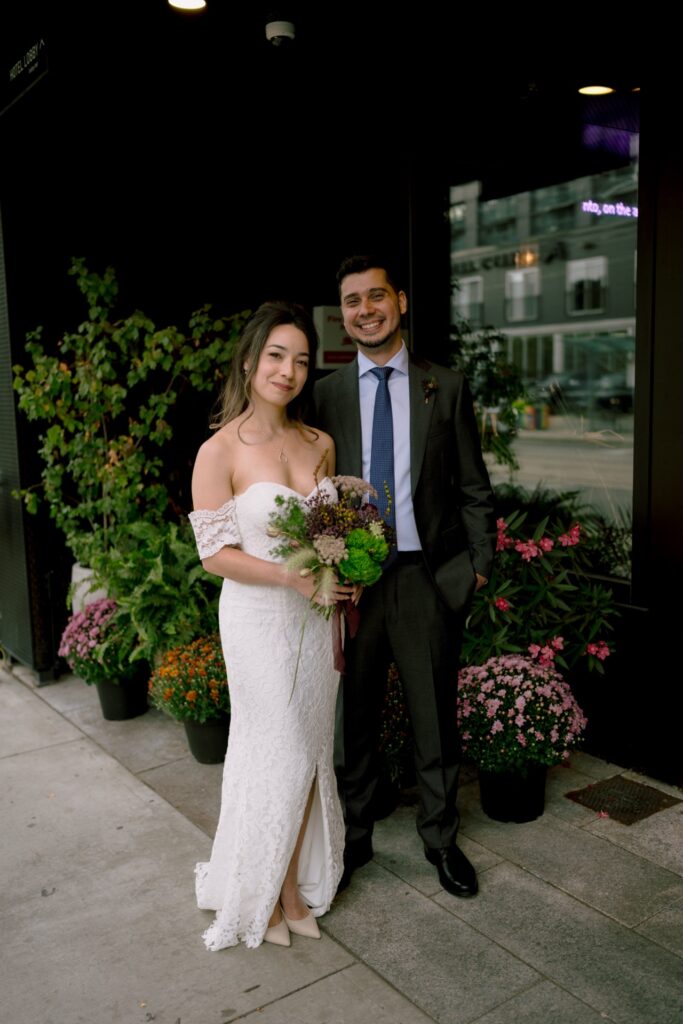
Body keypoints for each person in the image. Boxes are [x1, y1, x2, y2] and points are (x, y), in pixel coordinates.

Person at [314, 255, 496, 898]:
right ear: (343, 317)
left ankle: (441, 838)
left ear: (401, 301)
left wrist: (476, 568)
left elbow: (475, 487)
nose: (366, 310)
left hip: (427, 579)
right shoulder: (326, 393)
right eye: (353, 302)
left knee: (434, 717)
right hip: (356, 582)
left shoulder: (443, 386)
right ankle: (356, 831)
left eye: (376, 297)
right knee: (354, 715)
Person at [189, 301, 356, 950]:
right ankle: (281, 894)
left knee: (308, 749)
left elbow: (330, 534)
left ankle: (289, 883)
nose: (288, 370)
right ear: (250, 360)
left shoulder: (318, 443)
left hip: (317, 621)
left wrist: (347, 563)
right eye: (277, 356)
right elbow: (213, 555)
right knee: (278, 745)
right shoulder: (218, 449)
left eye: (302, 360)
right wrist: (289, 575)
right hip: (258, 620)